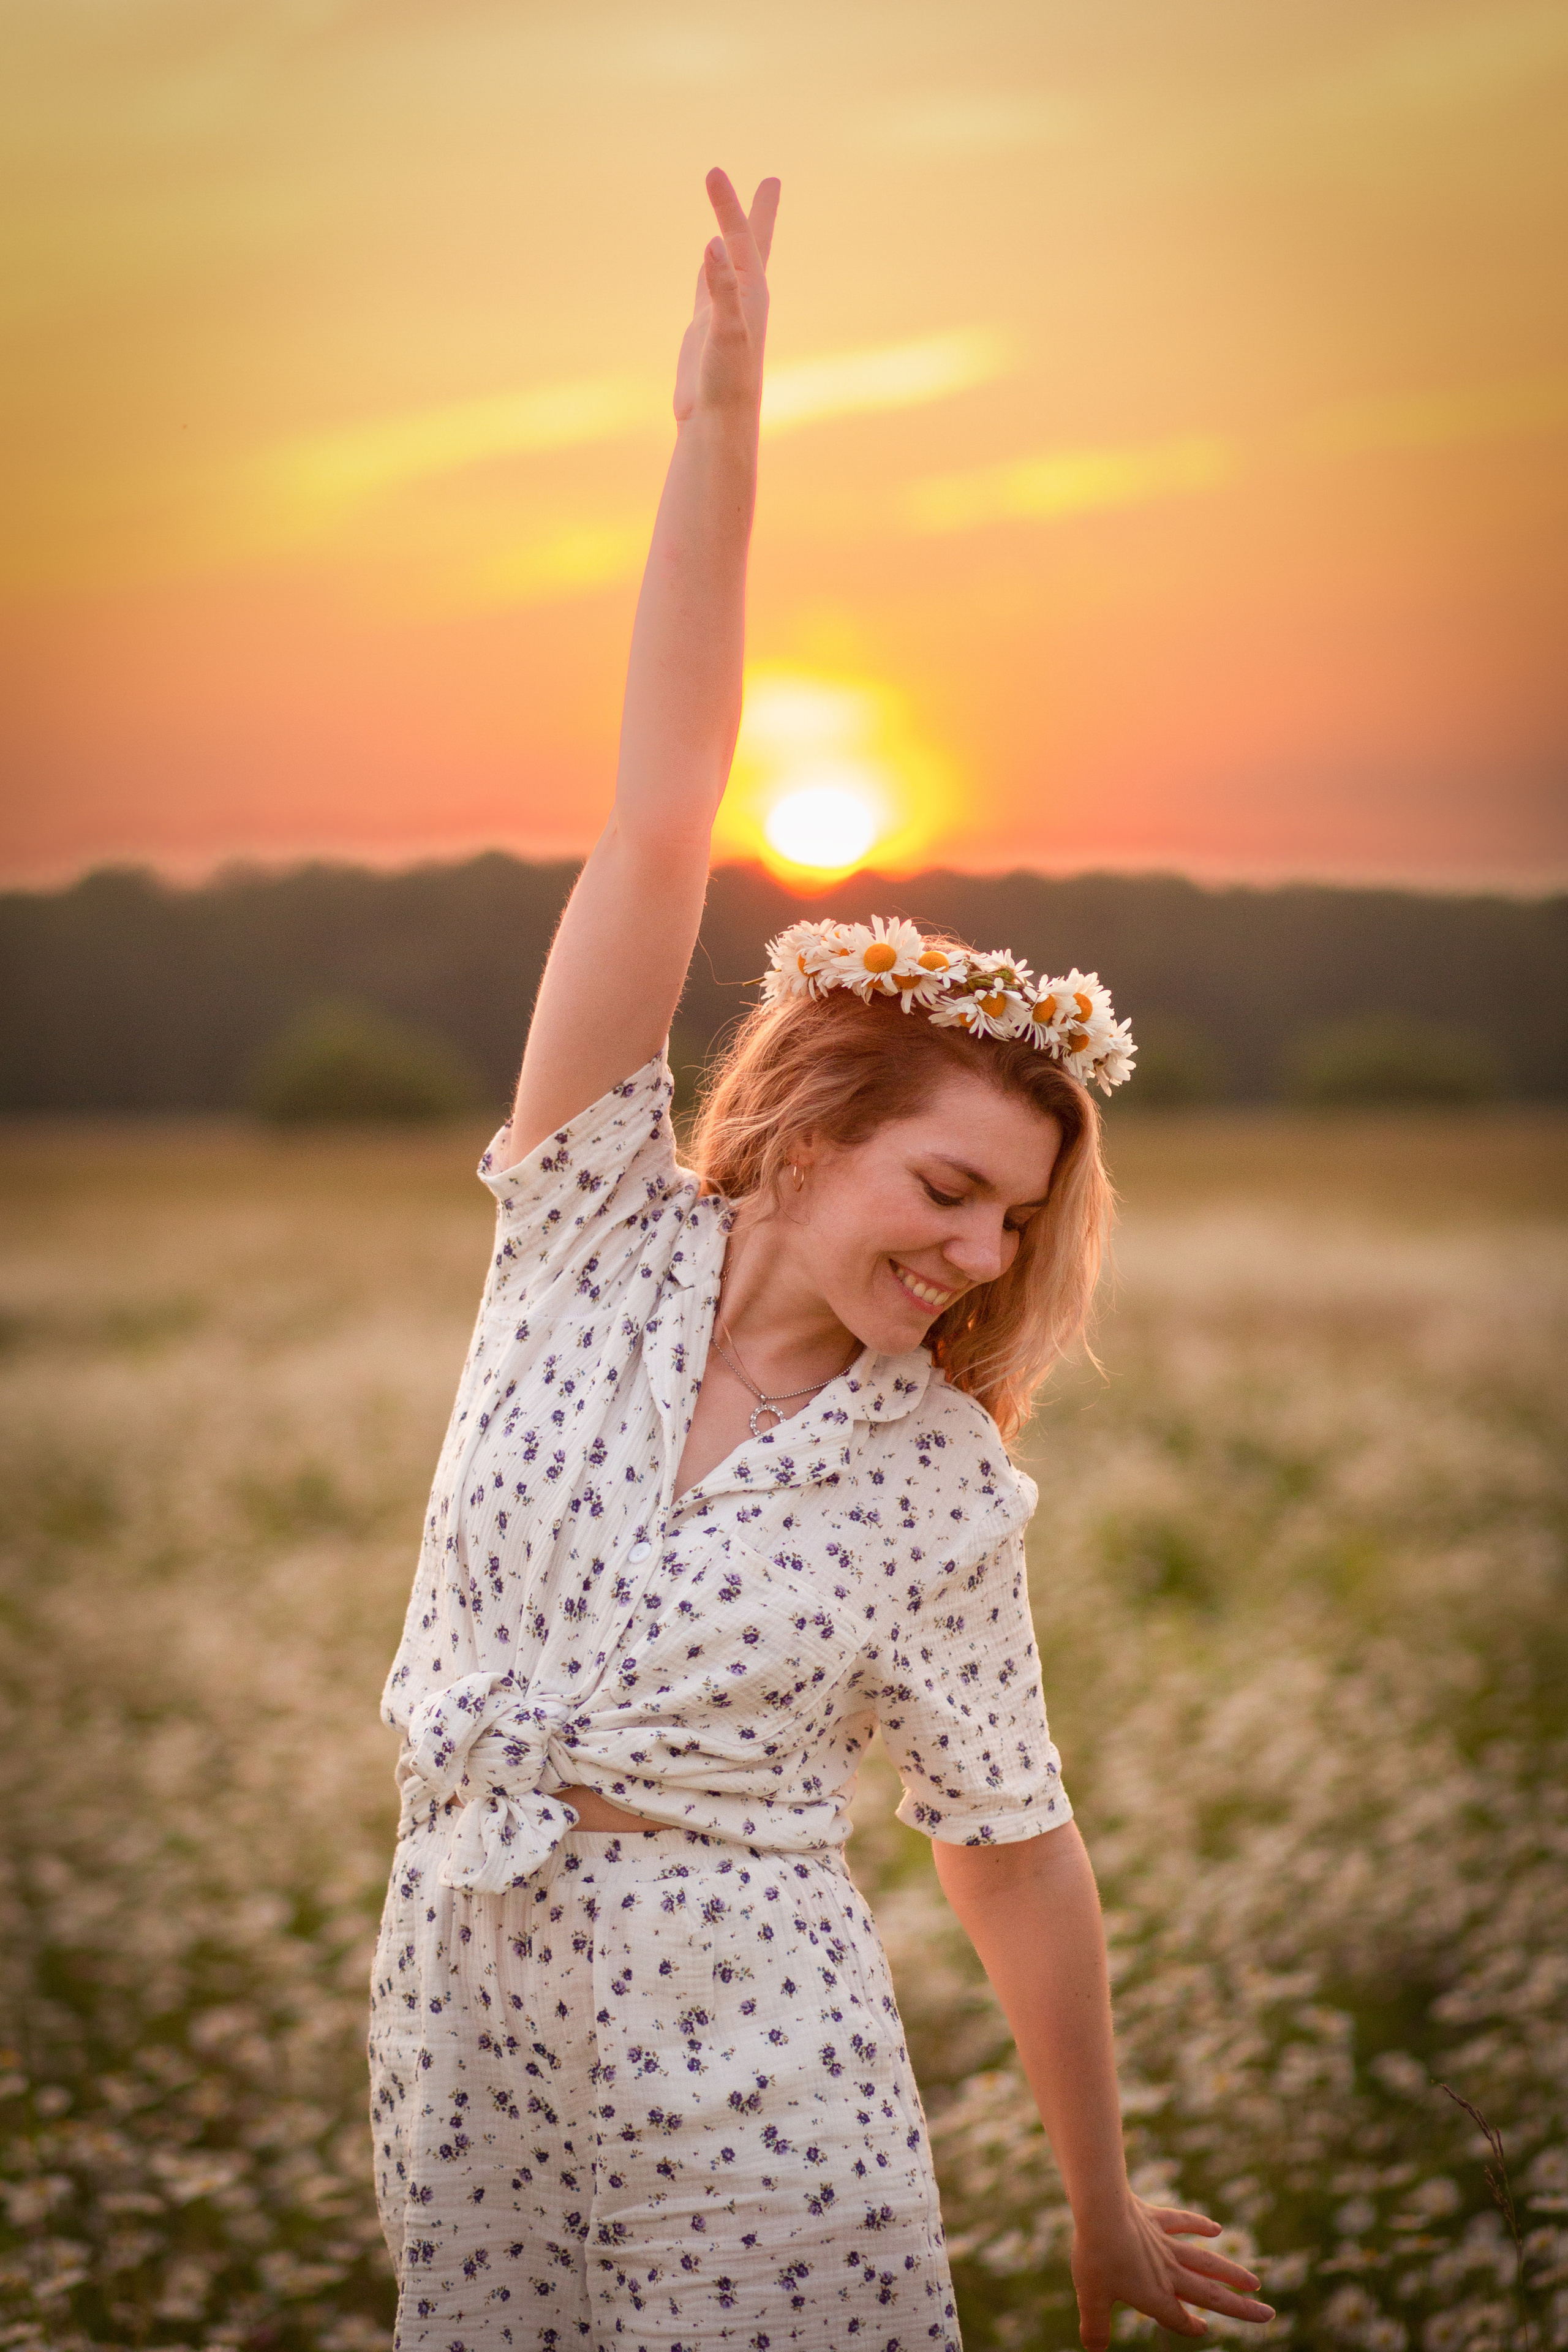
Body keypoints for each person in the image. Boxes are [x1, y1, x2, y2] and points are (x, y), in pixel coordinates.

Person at [368, 167, 1274, 2352]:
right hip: (459, 2017)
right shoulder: (585, 1232)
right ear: (791, 1131)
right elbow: (664, 814)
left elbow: (1009, 1846)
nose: (979, 1256)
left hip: (753, 2068)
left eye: (1017, 1227)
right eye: (948, 1188)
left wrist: (1100, 2200)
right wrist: (722, 427)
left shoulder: (935, 1480)